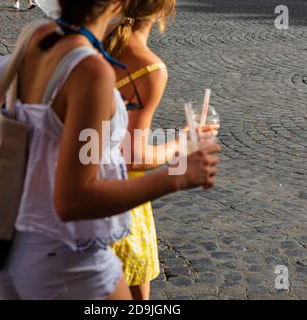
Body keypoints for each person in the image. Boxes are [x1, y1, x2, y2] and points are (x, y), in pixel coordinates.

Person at [0, 0, 220, 300]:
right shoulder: (91, 70)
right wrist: (179, 176)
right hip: (66, 254)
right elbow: (72, 200)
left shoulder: (38, 35)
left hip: (12, 242)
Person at [105, 0, 220, 300]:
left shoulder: (90, 43)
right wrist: (182, 145)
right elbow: (131, 156)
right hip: (119, 201)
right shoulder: (149, 68)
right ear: (161, 11)